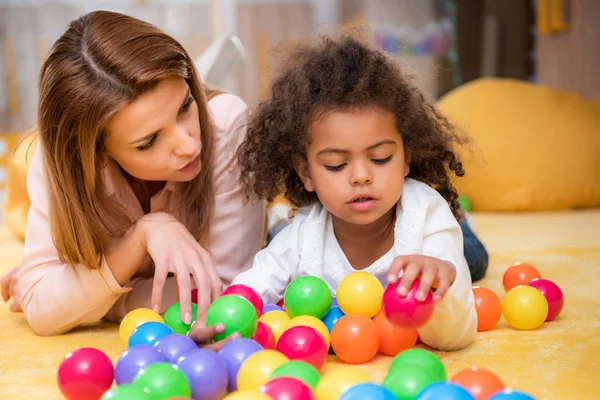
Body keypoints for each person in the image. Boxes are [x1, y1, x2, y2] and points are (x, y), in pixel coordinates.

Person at [0, 11, 265, 344]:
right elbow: (40, 307)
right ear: (98, 153)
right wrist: (145, 232)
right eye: (149, 141)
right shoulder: (58, 162)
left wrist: (92, 296)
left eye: (184, 107)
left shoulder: (227, 126)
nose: (188, 144)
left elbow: (224, 290)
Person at [215, 36, 479, 350]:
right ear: (305, 173)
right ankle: (276, 221)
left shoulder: (427, 217)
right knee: (280, 236)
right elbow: (253, 286)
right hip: (296, 225)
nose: (361, 177)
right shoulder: (303, 235)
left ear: (407, 156)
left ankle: (465, 231)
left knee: (474, 258)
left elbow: (457, 335)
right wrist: (222, 323)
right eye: (336, 164)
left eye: (380, 158)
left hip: (432, 222)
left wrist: (441, 276)